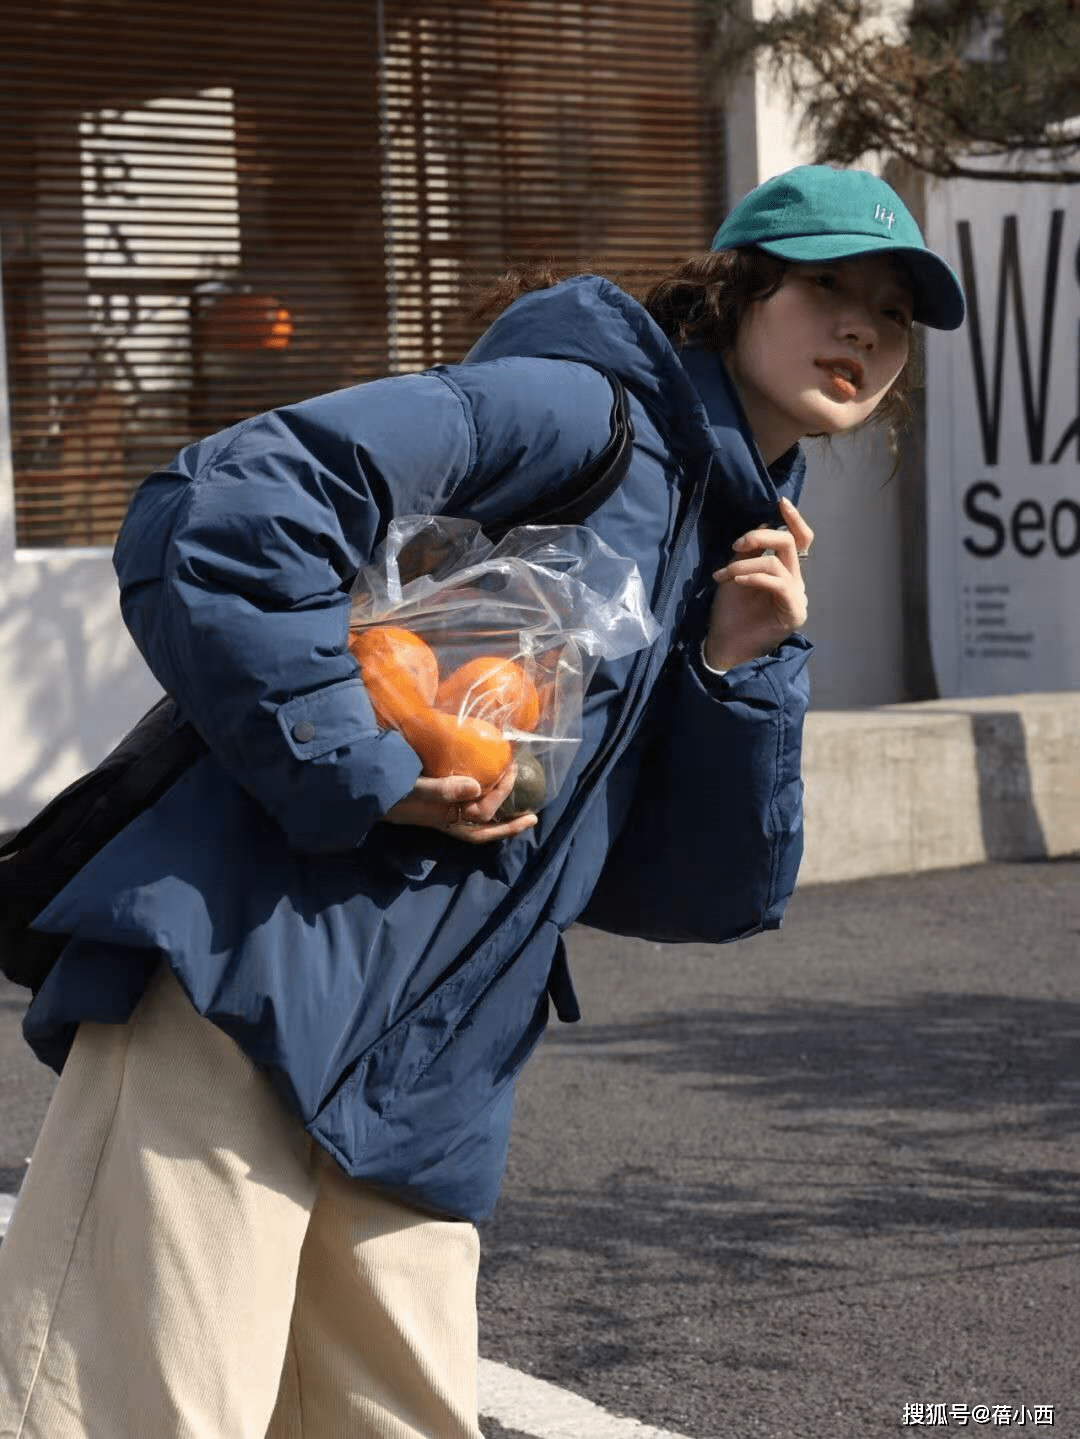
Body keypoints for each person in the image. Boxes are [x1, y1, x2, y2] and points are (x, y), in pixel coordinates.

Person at [0, 164, 964, 1438]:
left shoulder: (739, 545)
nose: (860, 329)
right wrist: (369, 767)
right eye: (828, 286)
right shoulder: (579, 410)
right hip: (258, 975)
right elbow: (224, 509)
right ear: (739, 291)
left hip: (432, 1068)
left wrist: (736, 667)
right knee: (141, 1408)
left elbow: (695, 893)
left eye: (891, 314)